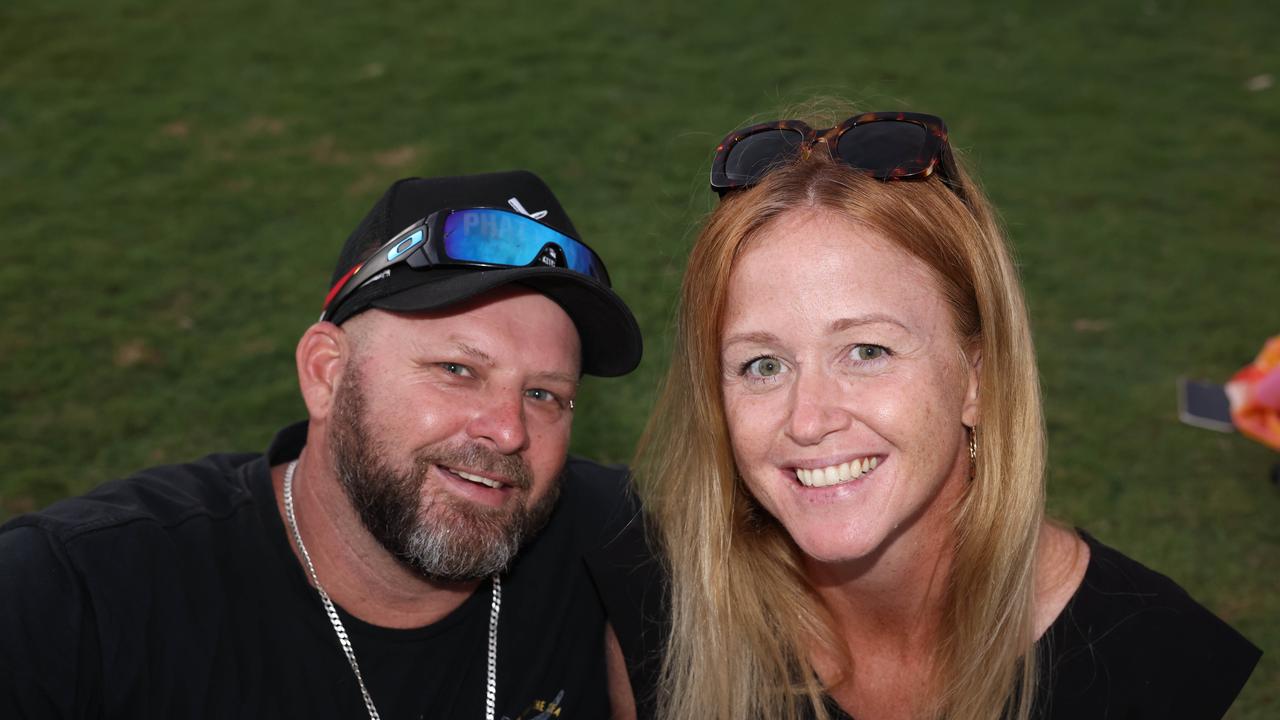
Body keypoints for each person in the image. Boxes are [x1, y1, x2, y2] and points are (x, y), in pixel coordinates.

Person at [634, 111, 1261, 719]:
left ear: (979, 379)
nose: (808, 420)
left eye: (867, 351)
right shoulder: (664, 614)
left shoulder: (1148, 662)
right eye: (763, 365)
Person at [0, 170, 650, 719]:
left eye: (545, 395)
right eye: (458, 370)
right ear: (326, 374)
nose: (508, 430)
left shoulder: (630, 541)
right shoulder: (75, 594)